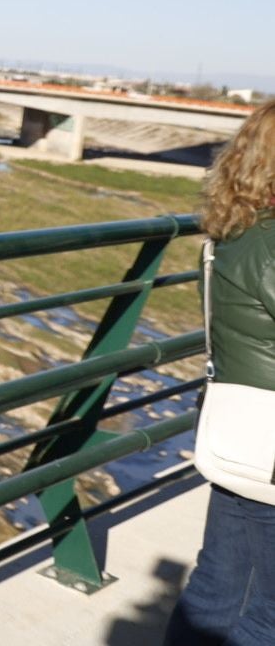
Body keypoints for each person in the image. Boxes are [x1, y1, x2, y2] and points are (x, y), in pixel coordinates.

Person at [164, 100, 275, 644]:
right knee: (265, 610)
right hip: (269, 448)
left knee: (218, 587)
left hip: (244, 431)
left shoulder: (232, 234)